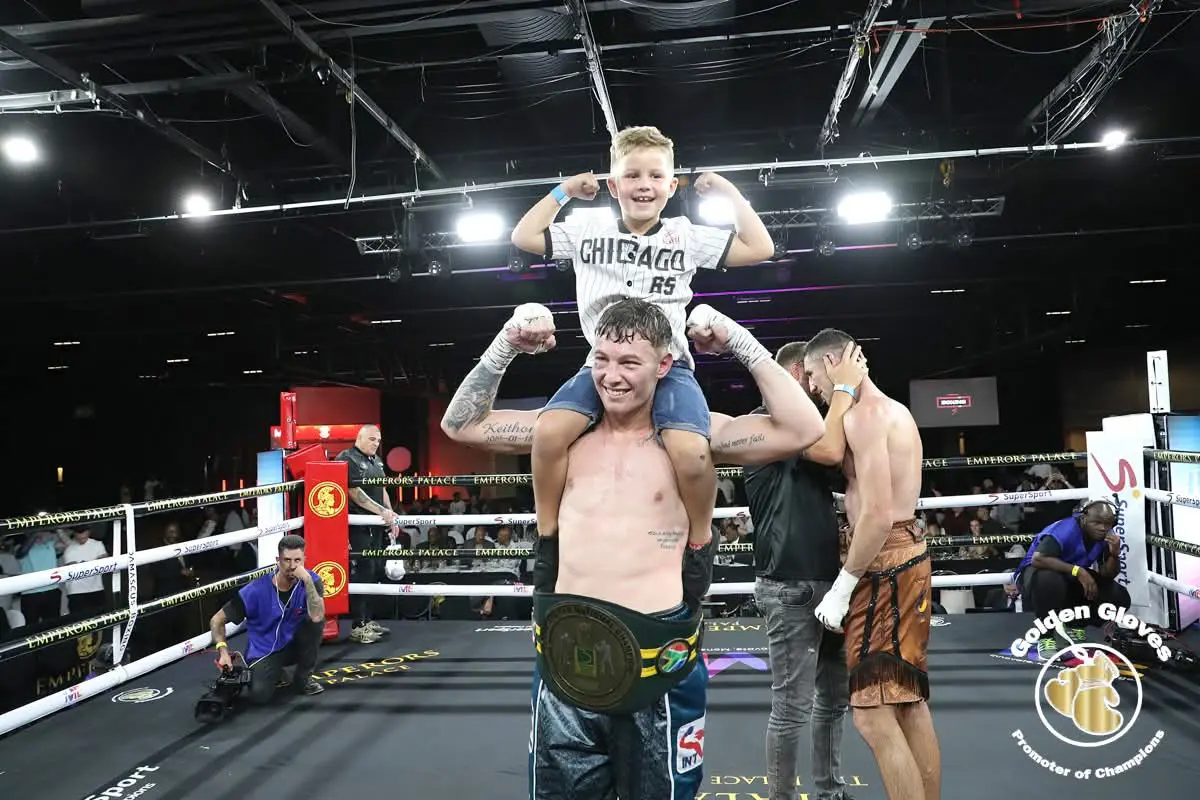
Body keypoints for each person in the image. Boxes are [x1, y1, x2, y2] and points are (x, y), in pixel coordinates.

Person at [440, 299, 825, 800]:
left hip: (658, 660)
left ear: (664, 365)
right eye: (601, 360)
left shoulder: (698, 435)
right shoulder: (562, 434)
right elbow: (460, 425)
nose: (611, 376)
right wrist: (505, 346)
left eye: (629, 362)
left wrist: (737, 341)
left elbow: (804, 429)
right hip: (567, 657)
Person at [510, 124, 775, 557]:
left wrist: (729, 193)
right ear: (614, 186)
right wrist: (564, 192)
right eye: (632, 175)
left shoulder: (686, 234)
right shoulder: (587, 229)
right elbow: (523, 237)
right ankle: (548, 538)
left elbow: (760, 248)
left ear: (671, 186)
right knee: (549, 433)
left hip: (669, 367)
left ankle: (700, 541)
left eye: (655, 176)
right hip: (603, 366)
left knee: (692, 453)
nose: (644, 185)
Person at [803, 329, 941, 800]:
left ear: (833, 363)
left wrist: (843, 586)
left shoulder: (865, 417)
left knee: (871, 714)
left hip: (883, 565)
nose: (811, 386)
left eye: (813, 374)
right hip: (905, 556)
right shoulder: (894, 410)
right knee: (908, 701)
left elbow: (878, 514)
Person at [748, 340, 868, 800]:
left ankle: (830, 792)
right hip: (788, 584)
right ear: (798, 372)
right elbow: (832, 450)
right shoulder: (768, 423)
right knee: (792, 707)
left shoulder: (813, 427)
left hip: (829, 582)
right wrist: (845, 386)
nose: (819, 390)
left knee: (834, 700)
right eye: (815, 378)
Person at [208, 534, 326, 703]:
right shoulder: (255, 590)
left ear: (304, 560)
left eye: (297, 560)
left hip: (296, 645)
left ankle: (304, 678)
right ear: (278, 560)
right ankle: (275, 671)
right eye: (287, 560)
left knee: (315, 624)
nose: (293, 566)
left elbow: (317, 616)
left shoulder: (312, 581)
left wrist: (307, 580)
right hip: (265, 650)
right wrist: (223, 651)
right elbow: (217, 620)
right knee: (259, 695)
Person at [1012, 498, 1130, 658]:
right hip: (1035, 575)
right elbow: (1038, 559)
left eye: (1107, 524)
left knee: (1118, 596)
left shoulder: (1107, 536)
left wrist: (1115, 555)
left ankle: (1074, 626)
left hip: (1068, 577)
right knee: (1049, 579)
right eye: (1097, 522)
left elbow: (1107, 575)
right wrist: (1079, 571)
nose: (1102, 528)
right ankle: (1046, 637)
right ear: (1083, 518)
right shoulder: (1065, 530)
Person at [336, 424, 399, 644]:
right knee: (362, 572)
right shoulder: (347, 458)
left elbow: (382, 489)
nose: (376, 443)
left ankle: (367, 620)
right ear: (359, 437)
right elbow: (353, 492)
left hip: (376, 526)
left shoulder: (377, 461)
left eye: (378, 440)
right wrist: (382, 511)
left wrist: (391, 513)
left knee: (374, 571)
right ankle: (358, 625)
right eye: (372, 439)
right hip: (358, 526)